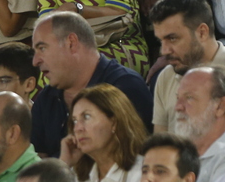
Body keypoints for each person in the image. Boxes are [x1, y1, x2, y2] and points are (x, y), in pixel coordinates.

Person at [29, 12, 151, 159]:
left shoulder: (125, 87)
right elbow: (36, 161)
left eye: (42, 48)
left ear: (71, 43)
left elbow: (127, 159)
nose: (35, 61)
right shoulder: (46, 99)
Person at [148, 0, 225, 133]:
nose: (164, 51)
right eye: (161, 41)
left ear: (202, 32)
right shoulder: (166, 76)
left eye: (172, 39)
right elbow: (161, 147)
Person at [60, 84, 147, 182]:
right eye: (74, 121)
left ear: (114, 122)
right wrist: (63, 164)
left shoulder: (143, 173)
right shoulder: (73, 177)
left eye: (86, 117)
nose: (78, 128)